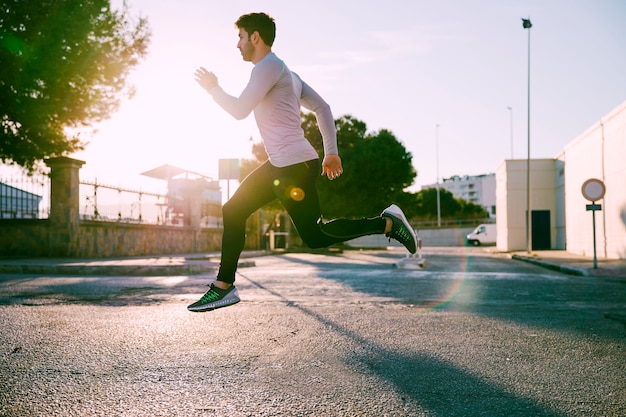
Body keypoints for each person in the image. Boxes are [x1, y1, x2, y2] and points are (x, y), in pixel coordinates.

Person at [188, 12, 417, 312]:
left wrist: (213, 88)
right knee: (271, 221)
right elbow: (322, 107)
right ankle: (224, 285)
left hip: (291, 165)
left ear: (255, 37)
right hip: (285, 164)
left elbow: (240, 110)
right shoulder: (287, 73)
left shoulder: (267, 66)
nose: (238, 45)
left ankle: (387, 223)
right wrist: (331, 151)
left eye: (240, 37)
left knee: (304, 231)